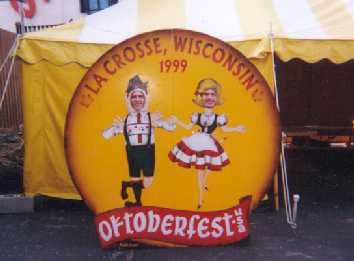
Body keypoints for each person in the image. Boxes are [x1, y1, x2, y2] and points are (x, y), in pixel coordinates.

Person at [168, 78, 246, 209]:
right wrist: (177, 121)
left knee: (209, 167)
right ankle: (200, 199)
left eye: (212, 95)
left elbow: (225, 129)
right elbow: (188, 127)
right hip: (197, 141)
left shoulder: (219, 118)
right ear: (201, 97)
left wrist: (236, 128)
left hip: (209, 143)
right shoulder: (196, 116)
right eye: (206, 94)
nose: (209, 98)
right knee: (200, 170)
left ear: (216, 98)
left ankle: (204, 184)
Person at [103, 75, 175, 207]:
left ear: (145, 98)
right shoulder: (125, 120)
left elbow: (170, 128)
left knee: (147, 183)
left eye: (140, 96)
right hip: (132, 152)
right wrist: (114, 129)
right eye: (134, 97)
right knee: (135, 179)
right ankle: (137, 202)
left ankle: (126, 185)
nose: (137, 100)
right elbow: (105, 135)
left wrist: (169, 123)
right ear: (129, 99)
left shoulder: (151, 117)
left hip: (148, 152)